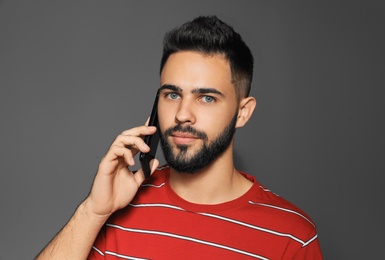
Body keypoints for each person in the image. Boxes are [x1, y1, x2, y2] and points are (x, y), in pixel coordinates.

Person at [37, 15, 323, 259]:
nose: (182, 114)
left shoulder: (291, 237)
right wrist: (93, 211)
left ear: (243, 112)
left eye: (207, 98)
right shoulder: (119, 207)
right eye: (172, 94)